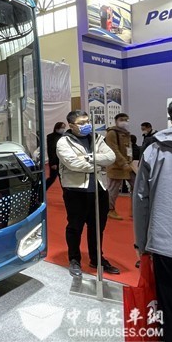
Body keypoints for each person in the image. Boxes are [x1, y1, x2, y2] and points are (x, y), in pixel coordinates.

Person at [133, 101, 172, 342]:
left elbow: (140, 200)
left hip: (164, 242)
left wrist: (141, 243)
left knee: (169, 308)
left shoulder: (154, 151)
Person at [56, 110, 119, 276]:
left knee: (97, 227)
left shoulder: (97, 138)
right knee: (75, 227)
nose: (86, 125)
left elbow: (111, 157)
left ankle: (97, 258)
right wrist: (98, 164)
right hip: (76, 191)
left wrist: (89, 158)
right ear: (71, 125)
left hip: (99, 189)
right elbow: (73, 164)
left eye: (87, 121)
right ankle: (74, 259)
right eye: (81, 123)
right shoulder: (64, 142)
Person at [105, 113, 133, 220]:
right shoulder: (112, 133)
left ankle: (135, 210)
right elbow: (113, 150)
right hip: (116, 166)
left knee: (136, 186)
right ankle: (110, 210)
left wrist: (129, 161)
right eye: (122, 119)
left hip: (128, 165)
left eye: (126, 120)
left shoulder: (126, 133)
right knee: (113, 189)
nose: (124, 122)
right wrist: (123, 163)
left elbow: (128, 149)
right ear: (116, 121)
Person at [46, 122, 67, 189]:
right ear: (57, 128)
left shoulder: (64, 136)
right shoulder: (51, 137)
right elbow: (51, 150)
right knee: (52, 178)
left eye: (64, 128)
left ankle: (65, 193)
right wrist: (53, 163)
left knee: (63, 179)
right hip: (55, 161)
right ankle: (41, 190)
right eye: (62, 127)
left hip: (62, 161)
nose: (63, 129)